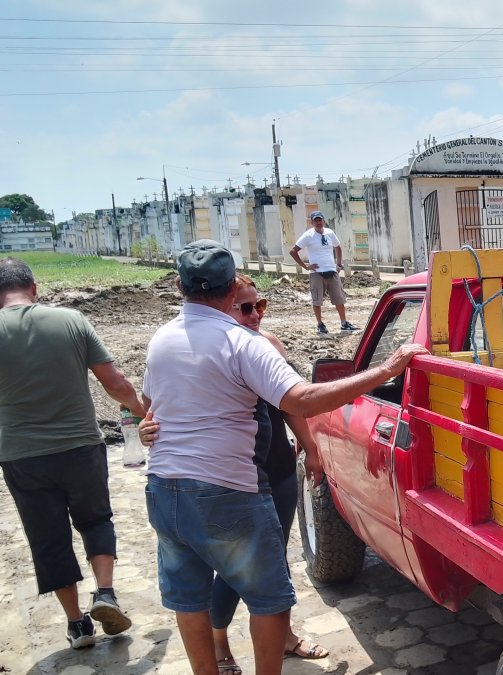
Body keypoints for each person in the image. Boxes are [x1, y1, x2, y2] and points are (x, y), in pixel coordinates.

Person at [142, 239, 424, 675]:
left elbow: (151, 403)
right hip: (225, 491)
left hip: (163, 488)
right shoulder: (242, 342)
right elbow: (303, 399)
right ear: (233, 287)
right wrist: (386, 371)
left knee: (189, 599)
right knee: (270, 600)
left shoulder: (161, 339)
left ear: (179, 286)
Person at [140, 274, 328, 674]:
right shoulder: (199, 344)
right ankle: (220, 642)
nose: (254, 315)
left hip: (273, 469)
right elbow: (159, 404)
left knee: (270, 567)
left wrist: (311, 449)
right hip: (230, 481)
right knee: (230, 571)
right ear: (225, 304)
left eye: (260, 306)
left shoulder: (264, 345)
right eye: (245, 308)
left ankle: (286, 637)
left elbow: (290, 406)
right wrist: (146, 428)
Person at [0, 257, 145, 649]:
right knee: (96, 519)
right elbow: (114, 383)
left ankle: (77, 624)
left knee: (49, 538)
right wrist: (142, 413)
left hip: (21, 455)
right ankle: (106, 594)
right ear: (33, 286)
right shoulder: (71, 321)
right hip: (81, 445)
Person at [288, 211, 356, 335]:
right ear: (312, 222)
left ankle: (344, 323)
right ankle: (320, 324)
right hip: (317, 273)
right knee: (317, 300)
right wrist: (306, 266)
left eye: (320, 220)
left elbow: (338, 247)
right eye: (316, 220)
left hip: (332, 271)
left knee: (339, 299)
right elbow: (293, 251)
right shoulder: (308, 236)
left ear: (324, 221)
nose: (318, 222)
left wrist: (339, 264)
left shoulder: (330, 233)